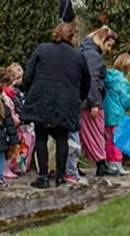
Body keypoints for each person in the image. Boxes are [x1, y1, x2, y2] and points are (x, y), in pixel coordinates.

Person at [21, 22, 91, 189]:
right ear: (72, 37)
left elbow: (28, 75)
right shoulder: (78, 56)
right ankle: (60, 176)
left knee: (41, 137)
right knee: (62, 139)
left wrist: (32, 91)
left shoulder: (42, 49)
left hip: (42, 99)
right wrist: (79, 98)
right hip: (66, 102)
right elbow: (86, 83)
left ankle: (43, 176)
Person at [80, 26, 117, 178]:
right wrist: (94, 102)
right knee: (96, 132)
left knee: (83, 134)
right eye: (108, 45)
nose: (108, 50)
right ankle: (101, 164)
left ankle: (75, 166)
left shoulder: (83, 51)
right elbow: (93, 80)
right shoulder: (93, 56)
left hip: (82, 99)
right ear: (102, 40)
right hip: (91, 102)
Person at [103, 53, 130, 176]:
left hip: (107, 113)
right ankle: (117, 163)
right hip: (117, 114)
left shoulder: (108, 77)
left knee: (109, 139)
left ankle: (110, 162)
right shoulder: (122, 81)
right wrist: (129, 105)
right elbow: (125, 99)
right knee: (117, 140)